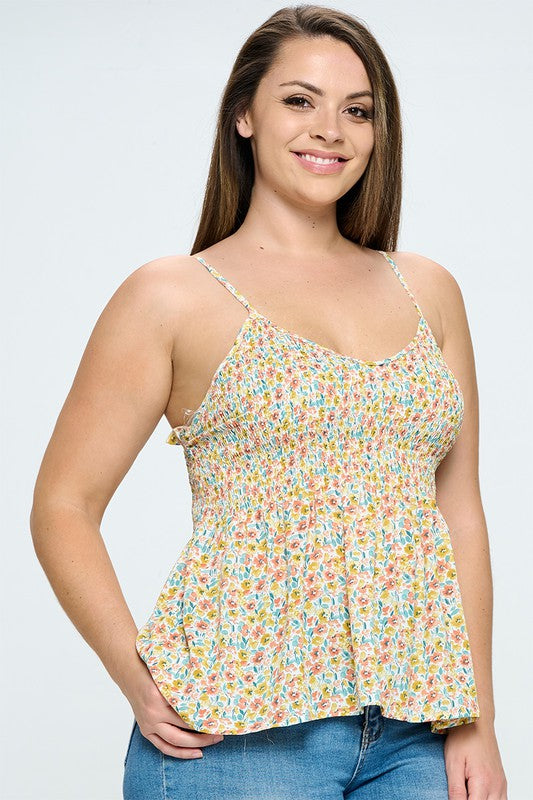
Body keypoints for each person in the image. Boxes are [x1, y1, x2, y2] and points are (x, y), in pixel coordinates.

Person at [30, 4, 508, 799]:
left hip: (413, 734)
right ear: (243, 115)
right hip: (236, 741)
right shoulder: (172, 295)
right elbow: (63, 504)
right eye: (298, 100)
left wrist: (476, 720)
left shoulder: (427, 290)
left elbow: (458, 512)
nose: (329, 130)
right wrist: (136, 676)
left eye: (357, 111)